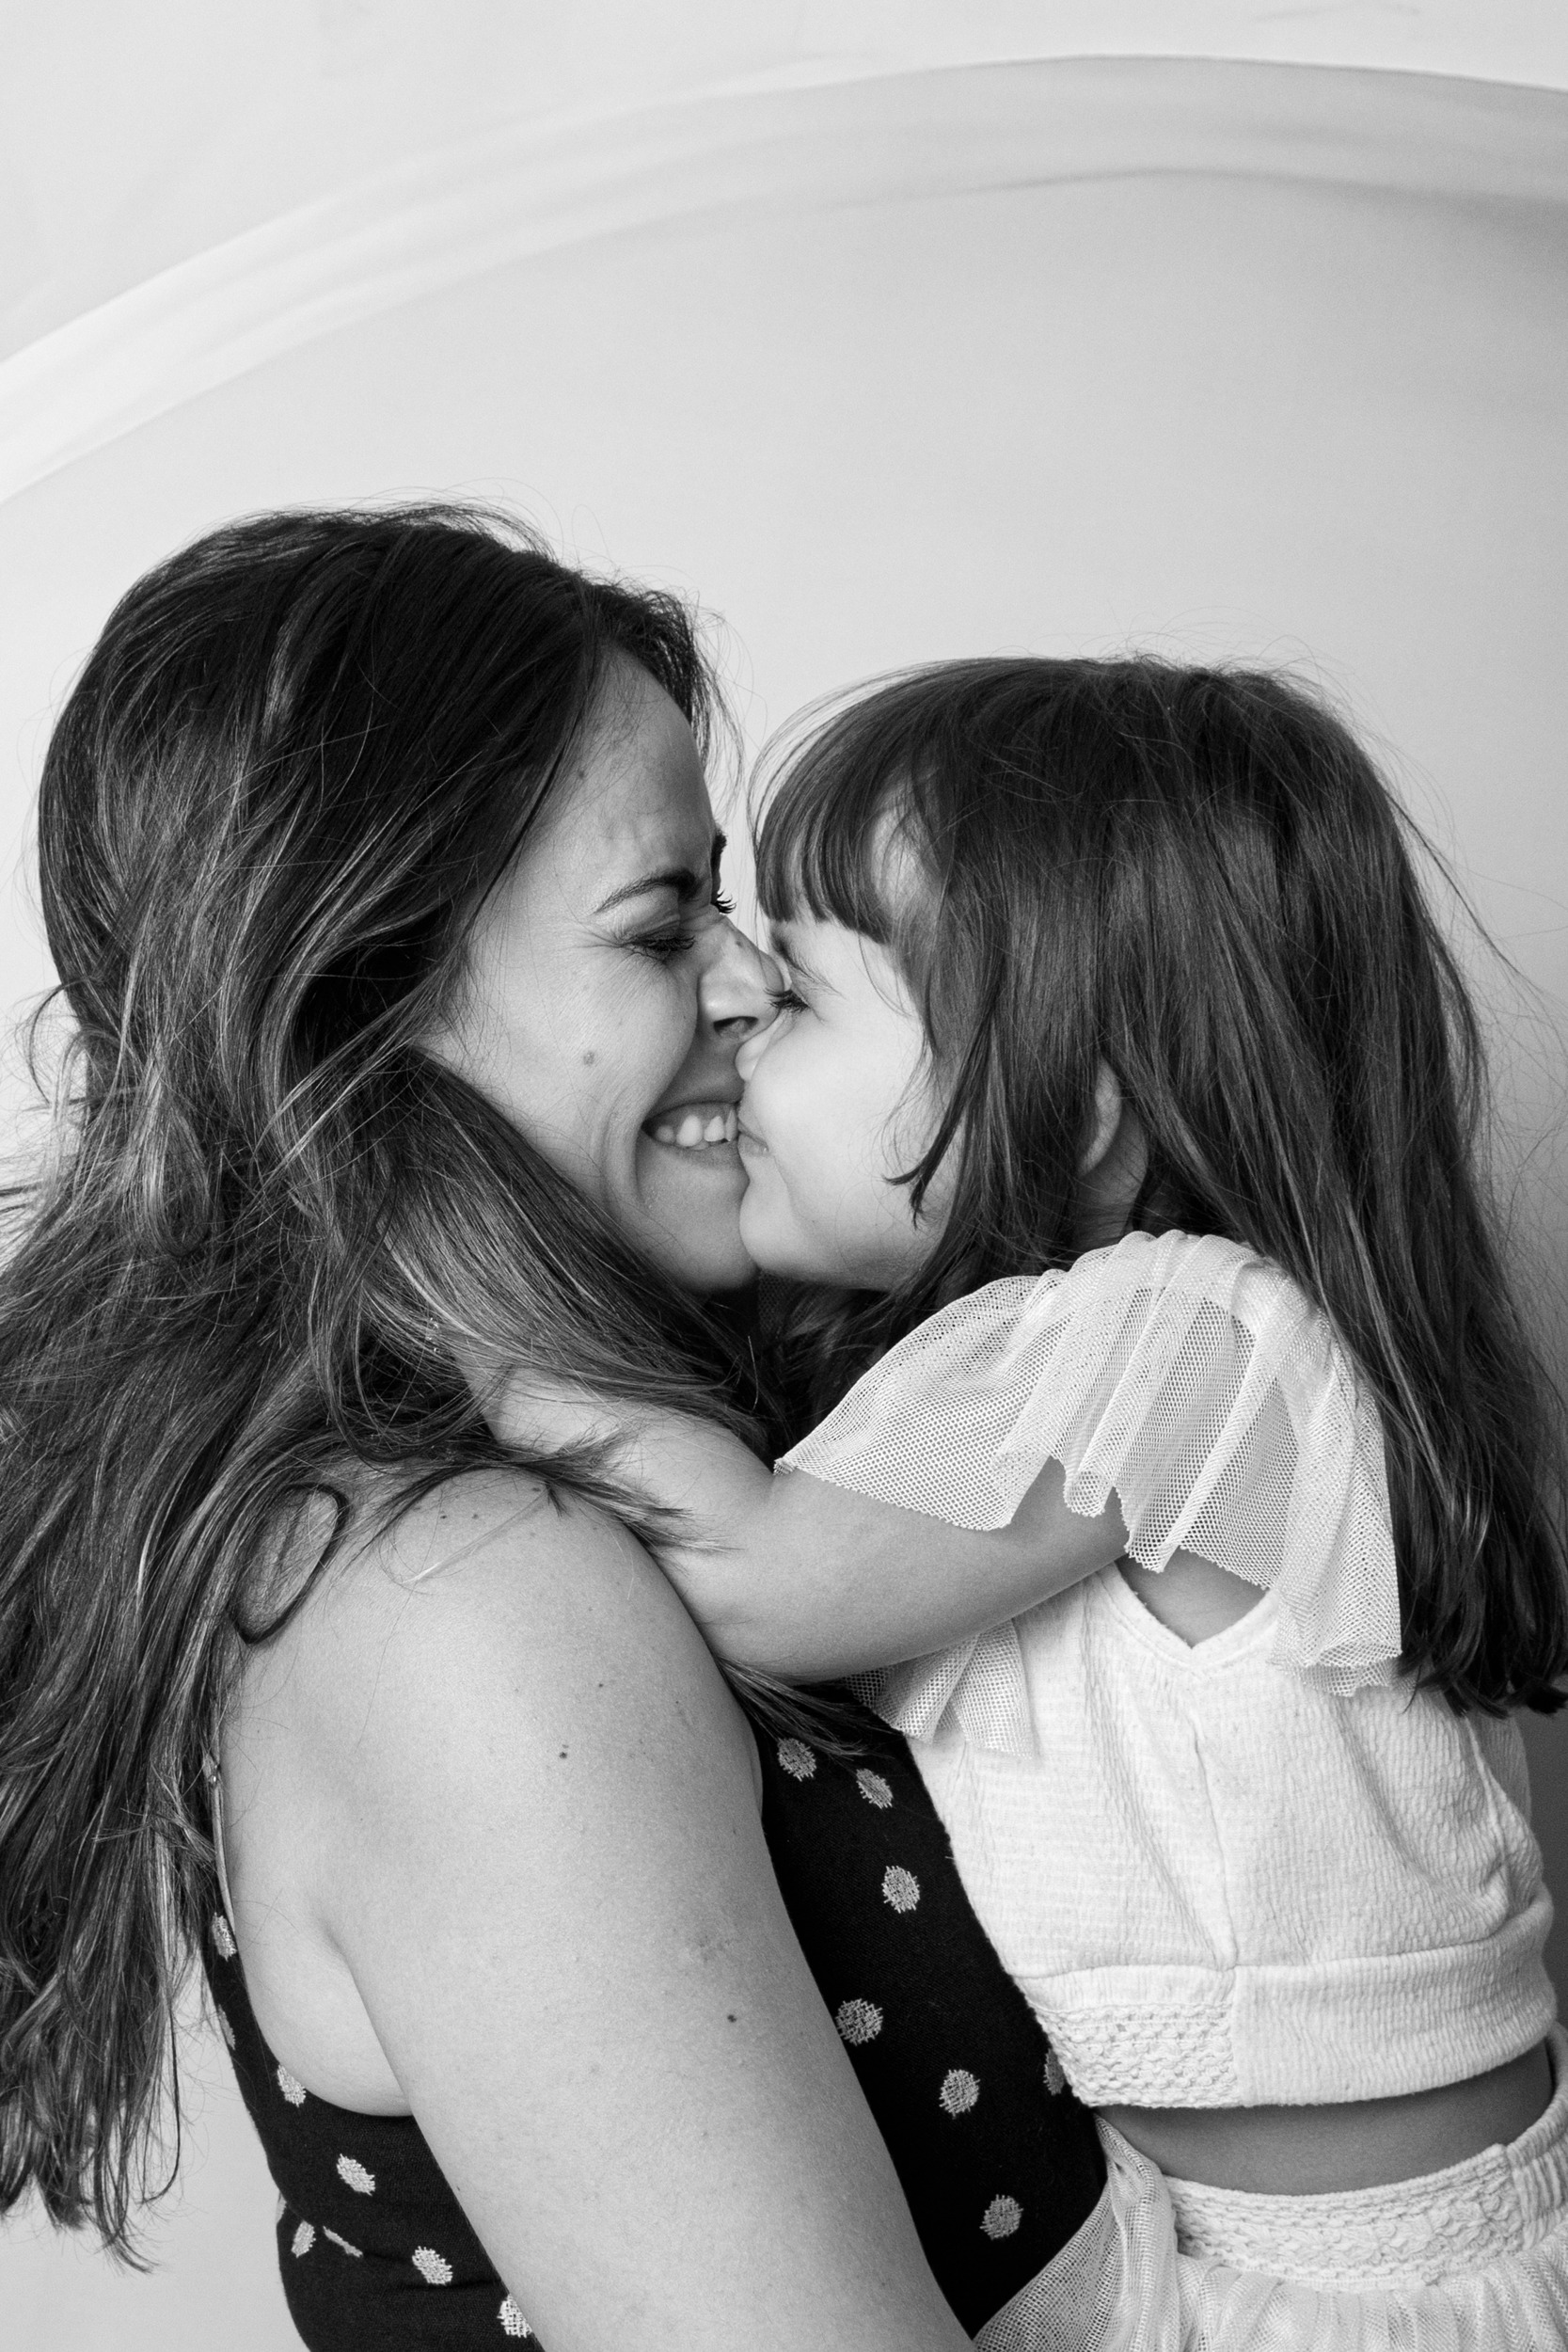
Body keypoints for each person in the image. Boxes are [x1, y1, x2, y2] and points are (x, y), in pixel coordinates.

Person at [0, 514, 1120, 2352]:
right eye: (662, 923)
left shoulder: (606, 1468)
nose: (754, 979)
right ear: (367, 995)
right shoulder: (463, 1602)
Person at [489, 658, 1568, 2344]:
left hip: (1357, 2295)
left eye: (807, 996)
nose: (738, 1014)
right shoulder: (1031, 1372)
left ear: (1080, 1111)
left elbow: (754, 1580)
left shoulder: (1187, 1339)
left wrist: (450, 1274)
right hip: (1221, 2250)